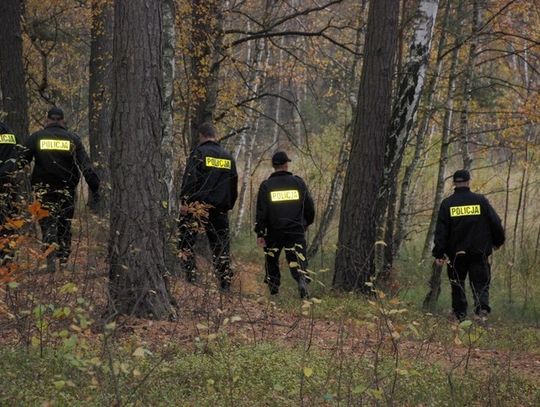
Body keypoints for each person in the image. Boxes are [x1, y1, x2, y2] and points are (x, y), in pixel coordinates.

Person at [22, 107, 100, 272]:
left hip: (43, 190)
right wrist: (95, 188)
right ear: (63, 120)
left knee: (47, 223)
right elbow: (85, 166)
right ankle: (64, 262)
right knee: (64, 224)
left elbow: (21, 161)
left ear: (48, 119)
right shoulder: (73, 139)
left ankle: (50, 262)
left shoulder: (36, 137)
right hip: (66, 189)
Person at [433, 169, 505, 322]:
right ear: (468, 181)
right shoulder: (480, 201)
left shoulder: (447, 204)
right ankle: (481, 312)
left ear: (454, 183)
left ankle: (459, 314)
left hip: (456, 254)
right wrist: (498, 241)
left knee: (457, 283)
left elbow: (441, 231)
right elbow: (495, 222)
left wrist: (439, 253)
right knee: (480, 283)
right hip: (478, 251)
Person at [178, 122, 238, 291]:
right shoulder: (228, 157)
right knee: (221, 247)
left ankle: (190, 279)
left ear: (201, 135)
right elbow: (233, 184)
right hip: (220, 209)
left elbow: (190, 180)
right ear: (215, 135)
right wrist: (228, 205)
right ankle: (225, 285)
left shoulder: (198, 153)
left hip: (197, 207)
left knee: (186, 242)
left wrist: (185, 202)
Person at [255, 151, 315, 298]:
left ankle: (274, 290)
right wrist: (307, 222)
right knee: (298, 259)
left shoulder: (266, 186)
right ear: (286, 165)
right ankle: (301, 280)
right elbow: (309, 206)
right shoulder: (298, 183)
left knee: (271, 260)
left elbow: (262, 212)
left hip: (274, 231)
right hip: (295, 230)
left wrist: (260, 233)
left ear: (273, 165)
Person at [0, 122, 23, 263]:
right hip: (9, 184)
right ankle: (7, 259)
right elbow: (20, 154)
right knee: (8, 221)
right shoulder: (10, 133)